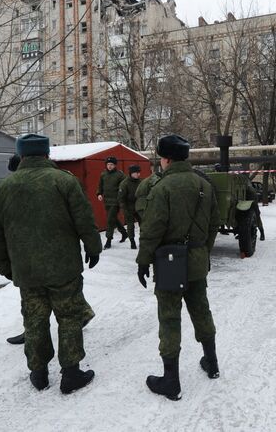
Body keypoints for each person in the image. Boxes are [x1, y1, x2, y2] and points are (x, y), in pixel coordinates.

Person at [0, 134, 102, 394]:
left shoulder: (2, 188)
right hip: (64, 267)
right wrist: (93, 248)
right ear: (47, 154)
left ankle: (38, 373)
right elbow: (84, 219)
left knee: (34, 319)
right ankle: (71, 374)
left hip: (26, 270)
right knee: (69, 317)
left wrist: (6, 266)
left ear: (21, 155)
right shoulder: (64, 181)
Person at [136, 134, 220, 401]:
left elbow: (152, 230)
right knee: (201, 309)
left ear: (167, 159)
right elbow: (214, 223)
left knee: (170, 318)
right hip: (196, 260)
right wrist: (202, 250)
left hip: (170, 262)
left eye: (160, 157)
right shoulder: (203, 184)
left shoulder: (162, 187)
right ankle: (212, 363)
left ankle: (171, 380)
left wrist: (143, 261)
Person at [4, 153, 95, 346]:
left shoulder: (60, 179)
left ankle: (73, 321)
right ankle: (79, 315)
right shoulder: (16, 186)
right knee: (47, 295)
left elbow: (81, 214)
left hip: (57, 246)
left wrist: (91, 244)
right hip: (30, 248)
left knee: (61, 293)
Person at [97, 156, 128, 249]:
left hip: (116, 201)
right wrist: (99, 193)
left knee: (110, 220)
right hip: (107, 200)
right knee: (113, 218)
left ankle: (108, 240)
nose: (109, 166)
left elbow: (124, 187)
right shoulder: (103, 174)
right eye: (108, 164)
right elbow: (100, 185)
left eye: (111, 164)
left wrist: (121, 198)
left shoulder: (120, 175)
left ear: (115, 165)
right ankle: (124, 233)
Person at [118, 164, 142, 249]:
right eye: (136, 173)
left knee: (143, 224)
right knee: (130, 225)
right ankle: (132, 241)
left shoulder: (140, 182)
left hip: (139, 207)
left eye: (139, 172)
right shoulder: (125, 183)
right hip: (128, 207)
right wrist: (124, 208)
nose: (138, 174)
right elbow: (121, 198)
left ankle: (142, 240)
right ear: (131, 173)